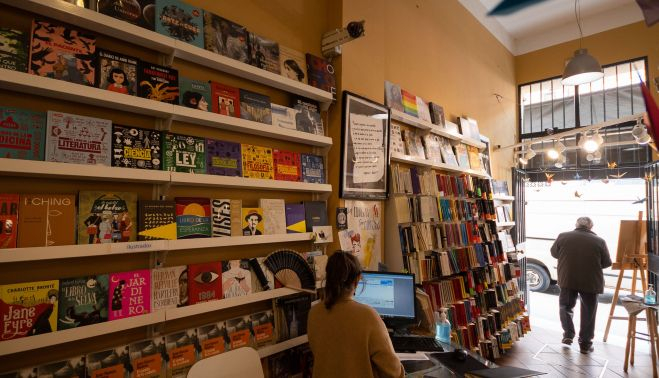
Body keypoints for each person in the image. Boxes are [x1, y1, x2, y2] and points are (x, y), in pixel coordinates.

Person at [307, 251, 404, 378]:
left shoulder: (314, 313)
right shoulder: (368, 316)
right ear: (357, 280)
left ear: (328, 278)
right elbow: (394, 372)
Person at [551, 216, 612, 354]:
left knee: (565, 306)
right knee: (589, 312)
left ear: (576, 225)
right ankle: (585, 344)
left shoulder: (563, 236)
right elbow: (607, 263)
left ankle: (568, 335)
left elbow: (554, 253)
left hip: (568, 278)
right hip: (590, 281)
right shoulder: (600, 241)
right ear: (591, 226)